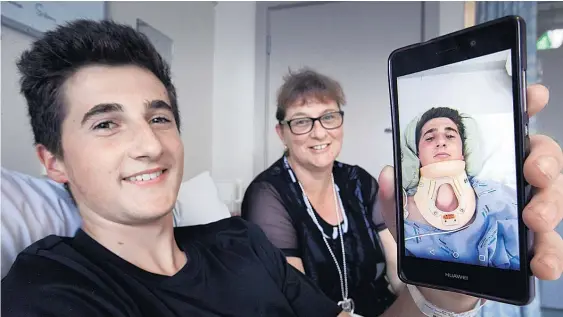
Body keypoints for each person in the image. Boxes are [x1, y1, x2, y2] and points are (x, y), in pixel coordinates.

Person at [1, 20, 562, 317]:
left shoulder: (238, 242)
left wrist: (444, 287)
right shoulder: (52, 286)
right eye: (105, 124)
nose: (149, 144)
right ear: (53, 161)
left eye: (160, 117)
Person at [241, 68, 563, 316]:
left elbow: (397, 272)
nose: (319, 132)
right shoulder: (267, 195)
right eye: (301, 121)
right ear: (281, 132)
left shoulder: (358, 181)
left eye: (328, 117)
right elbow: (295, 296)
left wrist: (436, 296)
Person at [401, 107, 519, 269]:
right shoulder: (401, 210)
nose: (441, 142)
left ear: (463, 151)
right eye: (429, 138)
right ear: (418, 154)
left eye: (450, 136)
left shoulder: (497, 198)